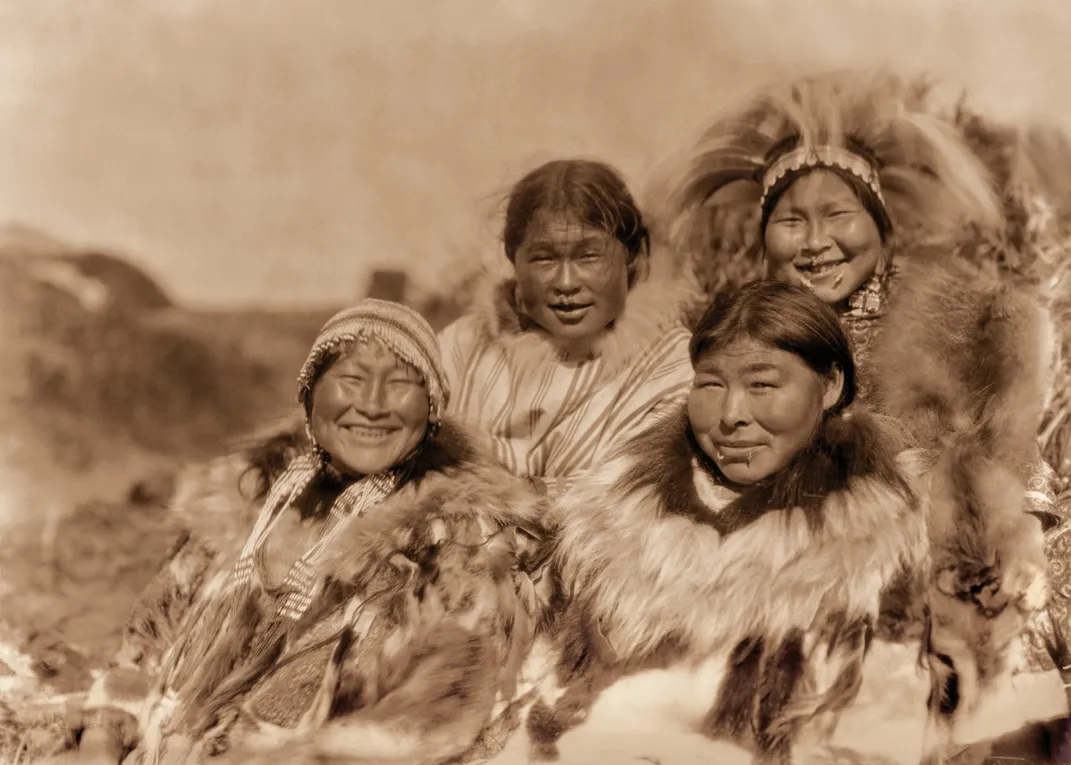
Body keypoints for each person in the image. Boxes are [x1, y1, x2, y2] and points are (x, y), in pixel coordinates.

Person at [518, 281, 1049, 765]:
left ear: (831, 385)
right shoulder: (606, 524)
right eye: (710, 384)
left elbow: (953, 721)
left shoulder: (904, 534)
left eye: (763, 384)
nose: (731, 414)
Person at [665, 69, 1069, 701]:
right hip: (785, 596)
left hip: (941, 593)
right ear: (764, 235)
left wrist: (1004, 537)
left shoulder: (967, 323)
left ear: (881, 228)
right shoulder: (736, 331)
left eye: (839, 215)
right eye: (791, 221)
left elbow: (1016, 461)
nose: (817, 242)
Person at [50, 299, 552, 765]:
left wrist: (307, 755)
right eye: (351, 379)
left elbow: (441, 708)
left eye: (400, 384)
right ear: (312, 394)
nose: (373, 405)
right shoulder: (242, 504)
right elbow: (145, 643)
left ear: (432, 408)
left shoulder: (457, 539)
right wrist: (104, 729)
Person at [438, 158, 698, 500]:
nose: (565, 282)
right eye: (544, 258)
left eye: (589, 256)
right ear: (512, 258)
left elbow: (632, 491)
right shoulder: (462, 346)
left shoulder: (674, 365)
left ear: (632, 255)